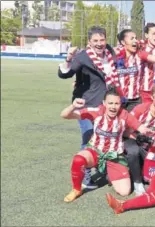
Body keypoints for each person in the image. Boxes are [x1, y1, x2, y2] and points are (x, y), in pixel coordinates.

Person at [60, 88, 151, 202]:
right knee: (79, 159)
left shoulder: (124, 115)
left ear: (120, 104)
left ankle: (108, 174)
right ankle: (76, 189)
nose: (113, 107)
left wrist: (147, 131)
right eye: (110, 103)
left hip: (114, 156)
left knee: (124, 192)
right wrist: (73, 106)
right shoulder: (96, 111)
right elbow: (64, 115)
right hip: (95, 152)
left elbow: (140, 127)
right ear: (104, 103)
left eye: (116, 103)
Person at [58, 26, 117, 189]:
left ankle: (104, 169)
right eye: (95, 41)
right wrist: (69, 57)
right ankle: (85, 177)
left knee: (106, 138)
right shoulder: (82, 57)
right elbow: (65, 74)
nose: (99, 44)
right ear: (89, 42)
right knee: (89, 138)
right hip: (86, 104)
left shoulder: (110, 53)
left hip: (106, 105)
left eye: (102, 40)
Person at [110, 29, 155, 111]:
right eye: (132, 38)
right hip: (118, 98)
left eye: (135, 38)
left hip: (135, 100)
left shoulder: (140, 54)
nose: (135, 40)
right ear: (123, 42)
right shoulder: (115, 55)